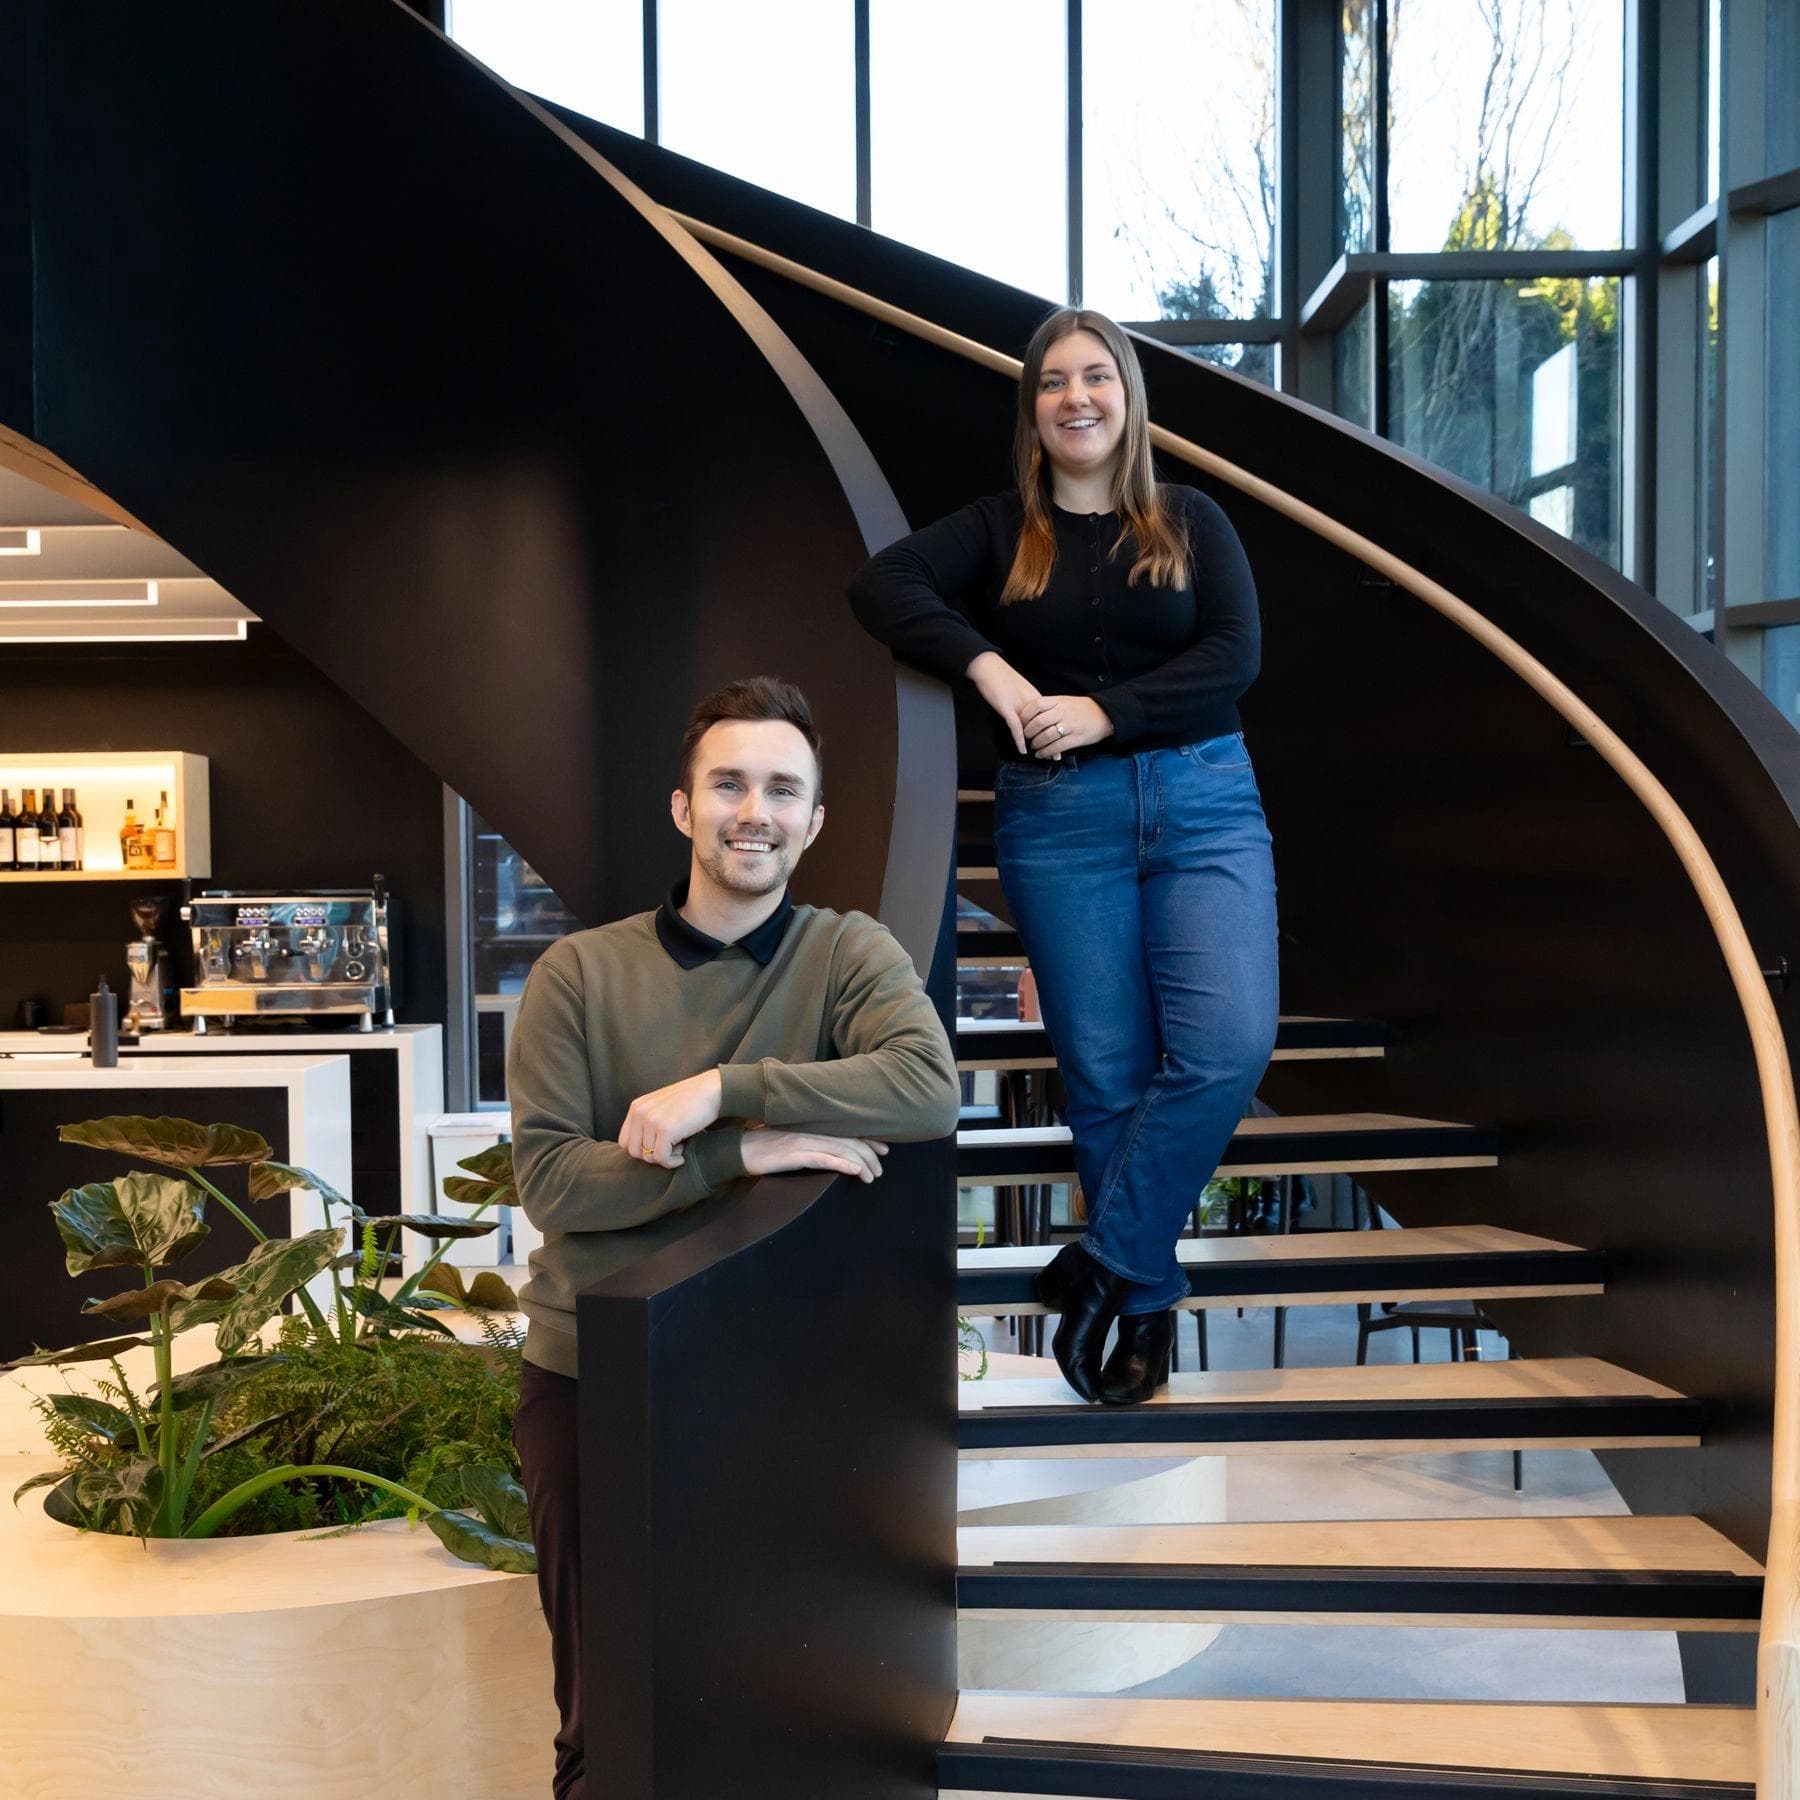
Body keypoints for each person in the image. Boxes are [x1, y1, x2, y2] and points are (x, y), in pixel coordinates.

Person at [506, 675, 961, 1800]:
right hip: (593, 1376)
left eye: (780, 789)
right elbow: (555, 1183)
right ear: (683, 808)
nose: (752, 810)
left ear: (812, 822)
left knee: (766, 1698)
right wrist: (746, 1152)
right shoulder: (580, 974)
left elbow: (926, 1088)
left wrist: (726, 1092)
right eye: (729, 784)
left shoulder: (847, 954)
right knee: (605, 1709)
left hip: (777, 1381)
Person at [848, 306, 1278, 1409]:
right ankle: (1141, 1307)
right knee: (1104, 1074)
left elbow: (1236, 655)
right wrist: (992, 672)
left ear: (1128, 397)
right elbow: (882, 587)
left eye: (1098, 376)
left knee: (1228, 1043)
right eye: (1054, 381)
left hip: (1204, 803)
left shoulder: (1190, 518)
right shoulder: (1000, 529)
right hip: (1058, 820)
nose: (1077, 396)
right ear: (1033, 408)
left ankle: (1102, 1257)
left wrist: (1105, 713)